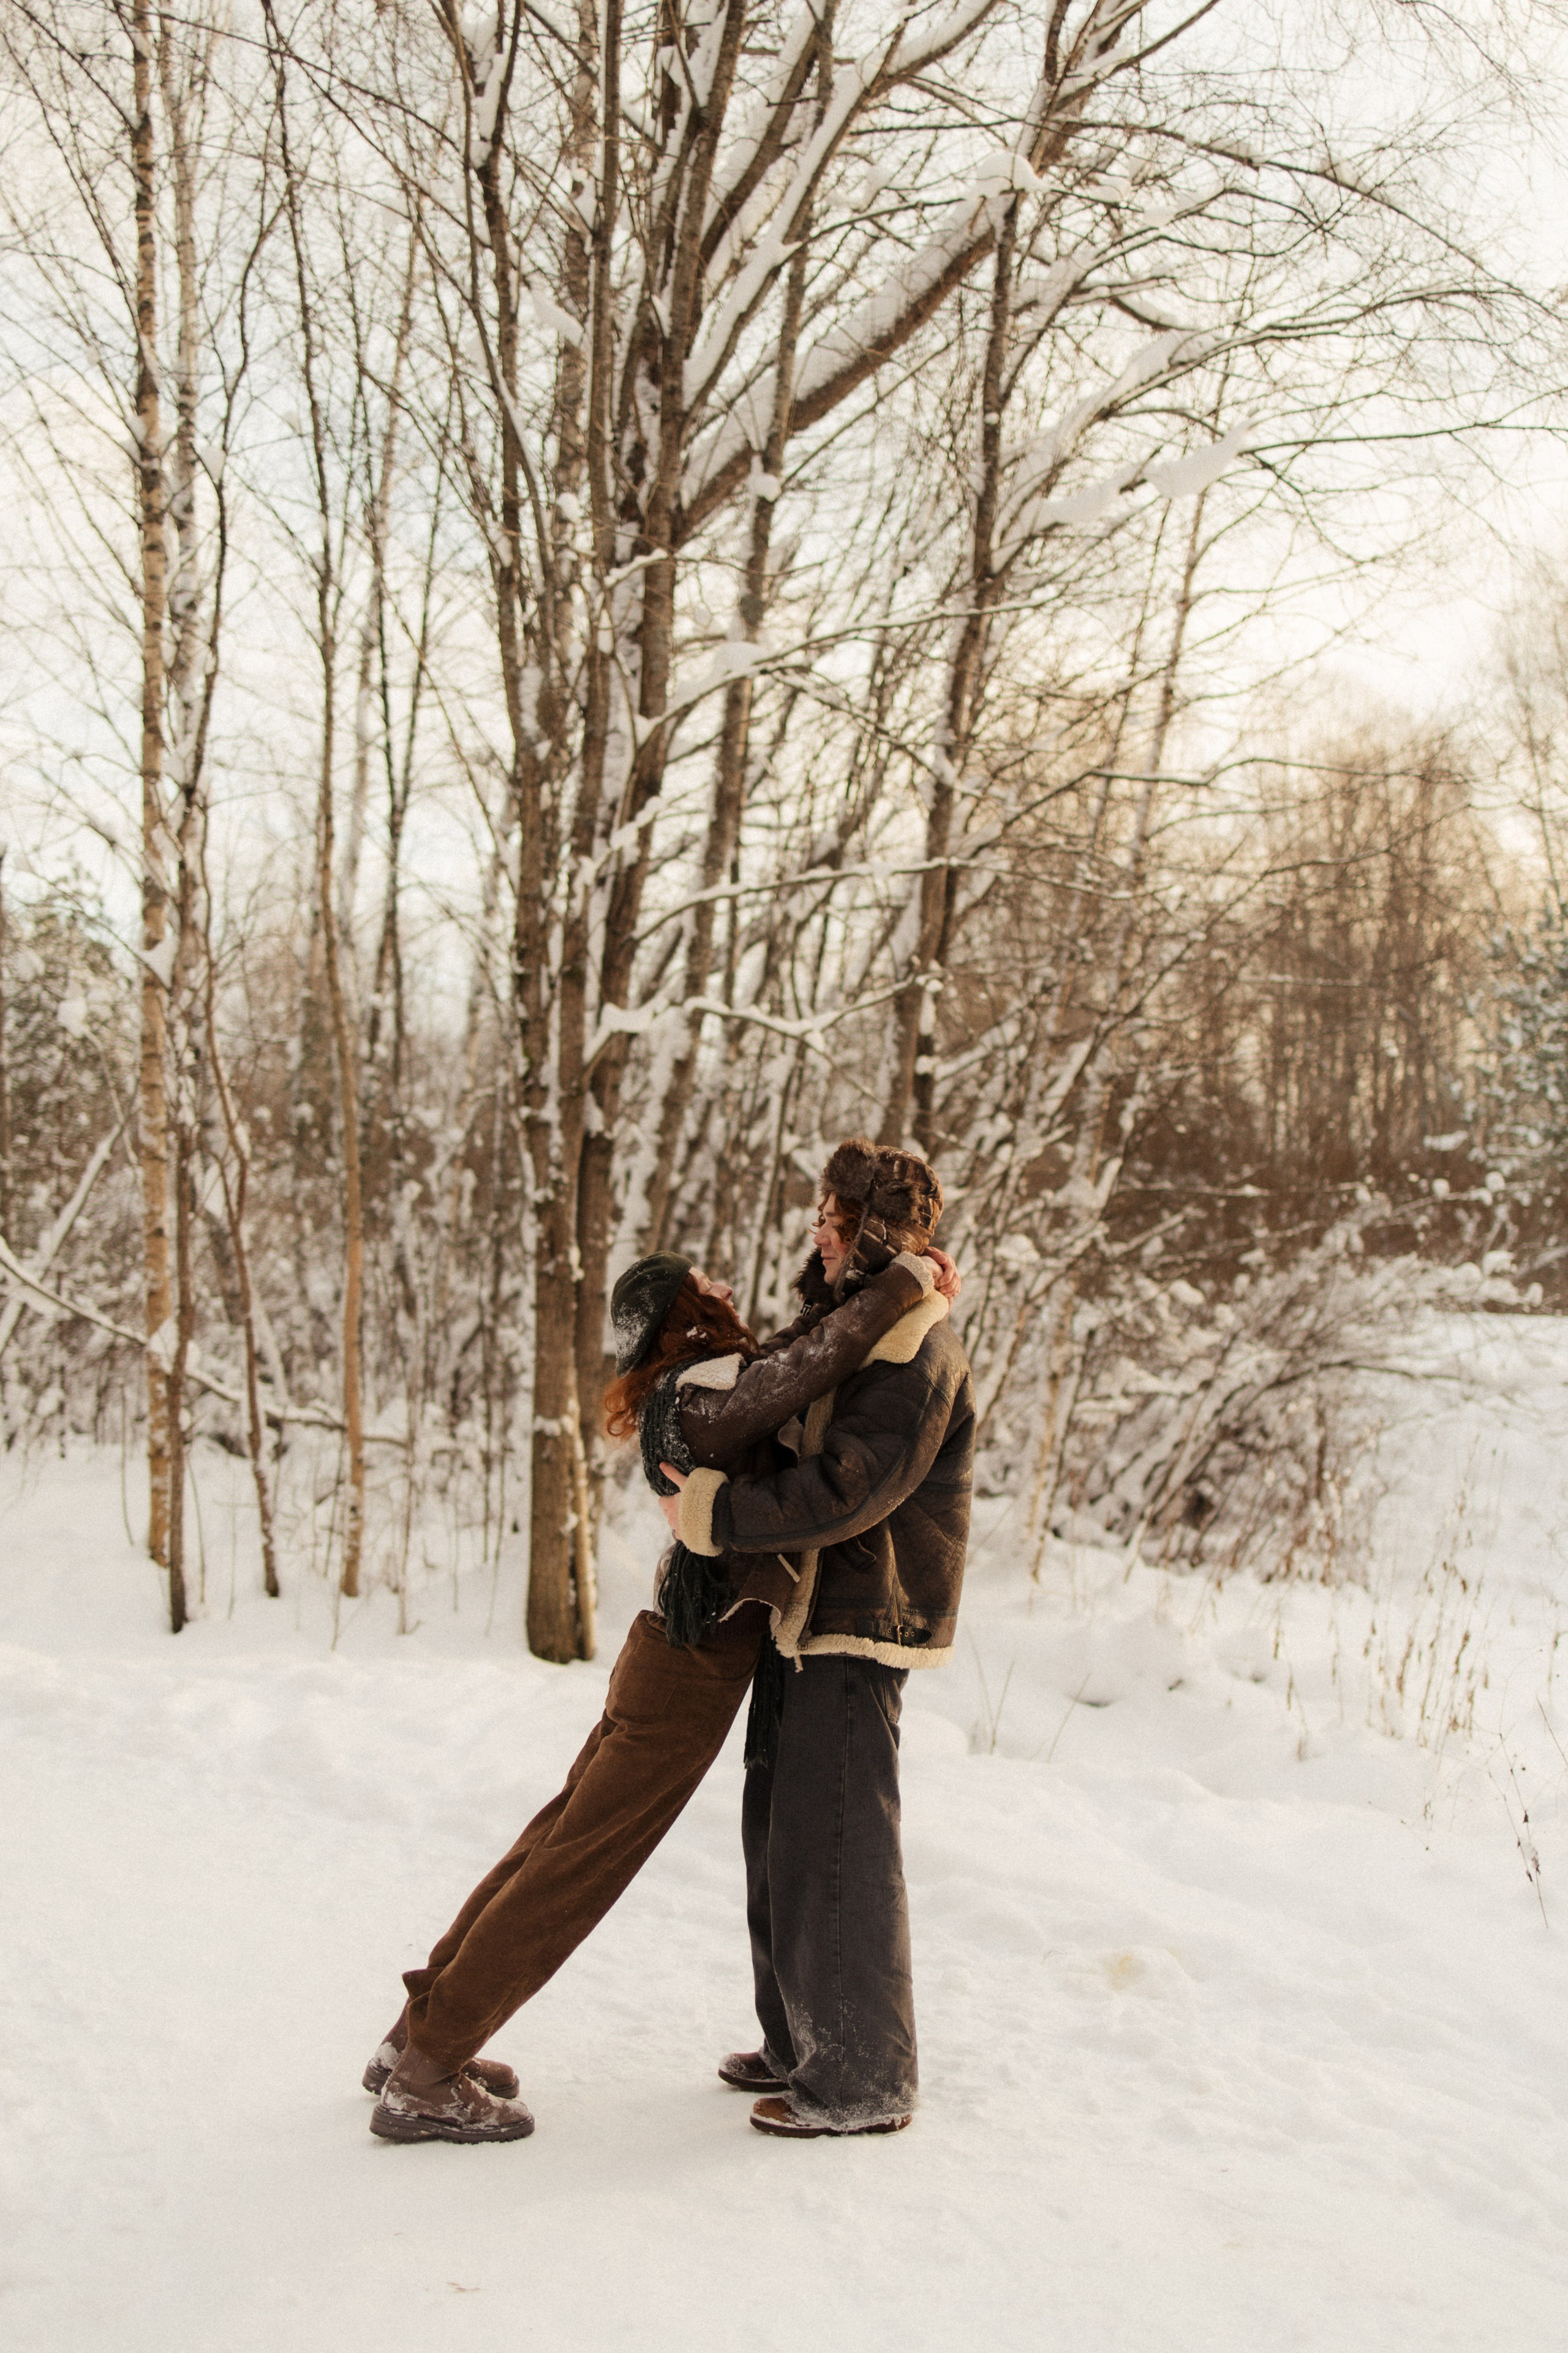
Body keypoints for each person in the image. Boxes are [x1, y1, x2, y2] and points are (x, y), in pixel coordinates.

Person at [364, 1204, 955, 2144]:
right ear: (682, 1315)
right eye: (704, 1285)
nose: (725, 1287)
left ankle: (417, 2037)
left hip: (673, 1661)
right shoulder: (704, 1388)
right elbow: (813, 1362)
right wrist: (902, 1283)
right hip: (683, 1671)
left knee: (551, 1842)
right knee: (571, 1868)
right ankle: (428, 2073)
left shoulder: (705, 1378)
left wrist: (891, 1280)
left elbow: (805, 1344)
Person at [658, 1138, 976, 2139]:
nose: (817, 1233)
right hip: (807, 1613)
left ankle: (862, 2075)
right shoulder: (851, 1322)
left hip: (859, 1615)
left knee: (837, 1840)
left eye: (832, 1221)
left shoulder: (917, 1343)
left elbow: (851, 1488)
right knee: (781, 1831)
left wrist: (718, 1517)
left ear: (873, 1230)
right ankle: (801, 2042)